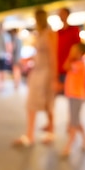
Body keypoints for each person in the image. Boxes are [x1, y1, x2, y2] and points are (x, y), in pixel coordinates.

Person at [13, 8, 58, 147]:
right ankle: (30, 134)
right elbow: (40, 53)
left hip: (46, 73)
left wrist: (54, 78)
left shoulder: (50, 34)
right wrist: (28, 59)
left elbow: (53, 56)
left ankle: (49, 131)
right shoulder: (40, 34)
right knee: (32, 104)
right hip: (37, 71)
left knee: (47, 103)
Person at [61, 42, 85, 158]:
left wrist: (69, 57)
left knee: (74, 122)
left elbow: (66, 66)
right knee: (75, 120)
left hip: (77, 96)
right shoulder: (77, 63)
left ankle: (69, 145)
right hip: (73, 95)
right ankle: (84, 139)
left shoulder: (80, 65)